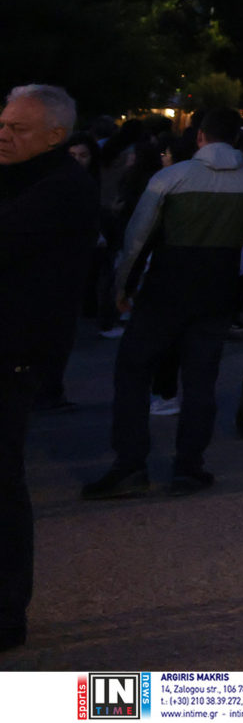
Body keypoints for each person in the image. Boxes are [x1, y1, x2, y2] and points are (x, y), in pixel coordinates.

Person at [85, 107, 243, 502]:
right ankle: (188, 467)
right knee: (201, 381)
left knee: (134, 372)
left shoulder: (171, 177)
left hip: (166, 289)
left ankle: (130, 465)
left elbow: (137, 238)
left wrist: (122, 286)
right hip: (219, 289)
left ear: (199, 136)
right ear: (236, 139)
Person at [2, 85, 101, 652]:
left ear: (55, 137)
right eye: (3, 123)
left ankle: (7, 613)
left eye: (17, 128)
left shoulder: (61, 189)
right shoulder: (29, 181)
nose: (4, 134)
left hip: (12, 351)